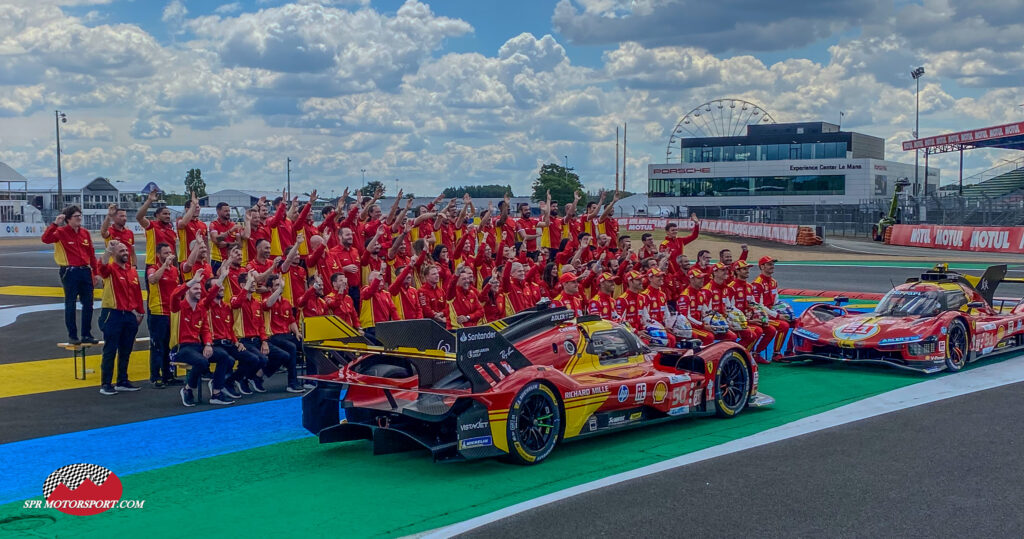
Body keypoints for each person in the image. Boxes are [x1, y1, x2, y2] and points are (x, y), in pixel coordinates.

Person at [169, 268, 235, 406]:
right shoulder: (178, 307)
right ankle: (188, 389)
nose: (199, 291)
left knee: (224, 356)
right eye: (195, 288)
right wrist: (191, 281)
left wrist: (208, 344)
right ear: (187, 290)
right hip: (181, 348)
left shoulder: (201, 309)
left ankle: (216, 393)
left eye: (200, 288)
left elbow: (205, 330)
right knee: (202, 362)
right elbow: (174, 295)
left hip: (197, 346)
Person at [42, 205, 100, 345]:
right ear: (68, 219)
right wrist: (55, 223)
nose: (79, 218)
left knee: (88, 304)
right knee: (70, 304)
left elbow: (91, 254)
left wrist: (96, 272)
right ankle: (73, 336)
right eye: (76, 216)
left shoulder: (85, 233)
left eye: (80, 215)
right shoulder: (60, 232)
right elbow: (46, 239)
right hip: (70, 271)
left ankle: (86, 334)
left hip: (85, 271)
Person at [96, 240, 145, 395]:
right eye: (121, 251)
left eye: (126, 250)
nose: (124, 253)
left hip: (129, 315)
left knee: (126, 349)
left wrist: (140, 312)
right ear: (114, 254)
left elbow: (137, 293)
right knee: (110, 350)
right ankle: (106, 383)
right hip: (112, 314)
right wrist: (109, 249)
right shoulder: (110, 269)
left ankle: (122, 380)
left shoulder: (132, 271)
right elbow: (100, 267)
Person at [145, 242, 183, 388]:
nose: (169, 256)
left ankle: (168, 375)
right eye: (165, 253)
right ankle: (156, 376)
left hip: (171, 313)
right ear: (158, 255)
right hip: (158, 312)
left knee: (169, 345)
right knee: (157, 346)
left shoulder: (174, 270)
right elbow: (153, 280)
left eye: (170, 253)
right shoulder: (152, 268)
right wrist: (164, 266)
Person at [261, 275, 304, 393]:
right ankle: (292, 383)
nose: (280, 288)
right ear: (270, 289)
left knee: (307, 343)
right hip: (273, 336)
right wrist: (280, 290)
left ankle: (312, 379)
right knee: (291, 347)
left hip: (286, 334)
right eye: (276, 286)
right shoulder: (266, 300)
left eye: (280, 285)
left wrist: (297, 333)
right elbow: (268, 304)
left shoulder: (286, 302)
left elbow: (291, 320)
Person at [704, 262, 761, 350]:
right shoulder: (707, 290)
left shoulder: (725, 288)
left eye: (726, 270)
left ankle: (741, 356)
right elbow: (705, 313)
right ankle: (726, 356)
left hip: (727, 322)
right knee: (732, 336)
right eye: (722, 270)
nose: (725, 272)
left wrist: (734, 320)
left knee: (751, 335)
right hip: (714, 324)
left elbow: (729, 308)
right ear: (715, 273)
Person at [732, 260, 776, 363]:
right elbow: (729, 310)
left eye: (748, 268)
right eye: (744, 269)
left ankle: (756, 354)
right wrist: (750, 321)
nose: (747, 271)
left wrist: (761, 318)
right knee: (757, 331)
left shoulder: (749, 287)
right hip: (736, 321)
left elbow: (754, 305)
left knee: (770, 330)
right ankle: (739, 356)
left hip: (749, 319)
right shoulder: (731, 287)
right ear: (737, 271)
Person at [752, 256, 792, 357]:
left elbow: (776, 301)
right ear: (762, 266)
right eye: (769, 264)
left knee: (796, 322)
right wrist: (777, 316)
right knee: (784, 325)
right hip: (762, 315)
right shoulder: (757, 284)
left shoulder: (774, 282)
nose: (772, 266)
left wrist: (785, 311)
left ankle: (789, 350)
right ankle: (774, 353)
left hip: (772, 312)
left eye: (773, 264)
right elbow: (758, 307)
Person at [136, 190, 178, 266]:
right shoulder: (152, 226)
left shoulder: (172, 231)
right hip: (154, 265)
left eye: (169, 214)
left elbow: (174, 251)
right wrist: (149, 201)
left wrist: (176, 267)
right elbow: (139, 217)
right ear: (157, 215)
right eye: (165, 214)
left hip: (169, 266)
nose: (168, 216)